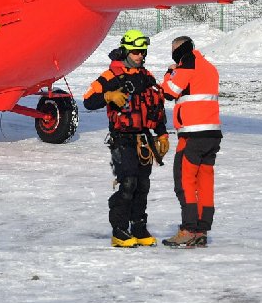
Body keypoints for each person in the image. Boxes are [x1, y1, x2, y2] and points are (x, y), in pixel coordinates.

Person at [83, 29, 169, 247]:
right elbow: (88, 100)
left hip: (144, 140)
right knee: (128, 183)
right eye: (136, 51)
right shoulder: (110, 76)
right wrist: (107, 95)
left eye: (143, 51)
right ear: (125, 51)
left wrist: (162, 133)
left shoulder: (146, 76)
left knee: (143, 185)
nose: (141, 55)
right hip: (122, 139)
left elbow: (156, 107)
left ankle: (139, 228)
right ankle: (119, 230)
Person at [160, 36, 221, 248]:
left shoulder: (187, 65)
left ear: (181, 49)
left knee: (185, 182)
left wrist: (170, 72)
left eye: (173, 49)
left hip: (192, 135)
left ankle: (188, 229)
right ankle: (202, 230)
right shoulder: (209, 67)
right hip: (212, 134)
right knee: (205, 183)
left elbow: (169, 92)